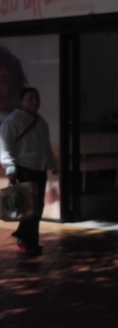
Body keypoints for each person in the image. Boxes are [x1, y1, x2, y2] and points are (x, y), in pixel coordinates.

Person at [0, 87, 58, 257]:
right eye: (30, 98)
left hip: (39, 167)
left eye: (37, 98)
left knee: (36, 208)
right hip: (23, 168)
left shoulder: (41, 122)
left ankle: (27, 240)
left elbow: (46, 146)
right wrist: (10, 168)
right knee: (28, 208)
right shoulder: (13, 121)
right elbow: (4, 146)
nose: (35, 101)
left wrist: (52, 163)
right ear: (21, 101)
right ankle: (27, 242)